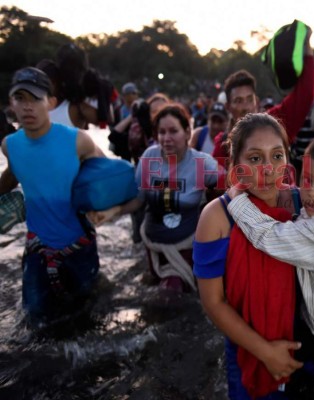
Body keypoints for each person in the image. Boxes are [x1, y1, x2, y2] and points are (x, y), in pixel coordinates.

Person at [226, 132, 314, 399]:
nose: (312, 192)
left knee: (289, 360)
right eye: (306, 180)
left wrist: (237, 199)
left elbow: (266, 236)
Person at [193, 113, 303, 399]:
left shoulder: (302, 204)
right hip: (247, 349)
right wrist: (267, 353)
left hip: (303, 340)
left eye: (277, 156)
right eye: (255, 159)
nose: (268, 169)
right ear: (235, 165)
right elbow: (213, 302)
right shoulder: (216, 217)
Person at [0, 67, 101, 321]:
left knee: (86, 320)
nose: (27, 106)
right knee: (36, 323)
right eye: (20, 99)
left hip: (79, 248)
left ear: (51, 103)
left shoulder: (78, 141)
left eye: (35, 98)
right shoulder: (10, 145)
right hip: (38, 250)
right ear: (11, 104)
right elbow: (12, 176)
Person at [88, 103, 222, 291]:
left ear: (187, 133)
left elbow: (233, 186)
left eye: (173, 131)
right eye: (161, 132)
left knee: (169, 295)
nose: (166, 138)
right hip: (152, 247)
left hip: (184, 250)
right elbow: (139, 200)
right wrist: (113, 211)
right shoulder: (149, 158)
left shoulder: (201, 164)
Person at [211, 29, 314, 168]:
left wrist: (306, 46)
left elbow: (305, 94)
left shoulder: (276, 123)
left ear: (257, 101)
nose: (246, 107)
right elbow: (213, 185)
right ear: (228, 107)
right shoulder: (223, 146)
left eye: (249, 99)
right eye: (238, 101)